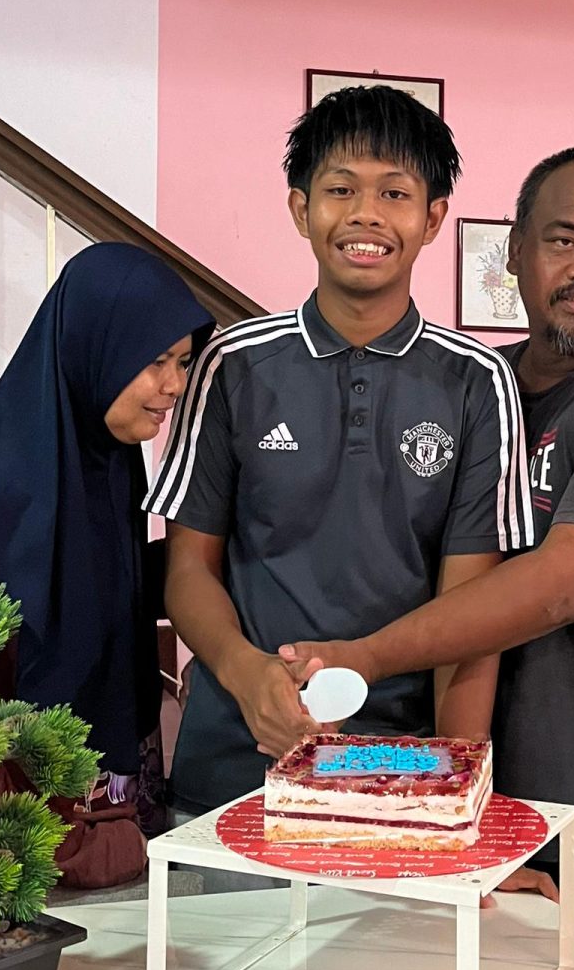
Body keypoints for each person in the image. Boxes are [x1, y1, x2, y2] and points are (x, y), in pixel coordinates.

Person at [281, 145, 574, 970]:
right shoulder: (476, 388)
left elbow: (569, 582)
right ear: (514, 253)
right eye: (563, 241)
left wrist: (364, 657)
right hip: (498, 807)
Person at [148, 85, 532, 822]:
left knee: (383, 942)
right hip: (237, 753)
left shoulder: (477, 383)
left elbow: (471, 616)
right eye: (340, 189)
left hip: (401, 765)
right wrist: (244, 670)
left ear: (432, 219)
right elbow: (188, 567)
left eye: (395, 192)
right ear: (301, 210)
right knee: (221, 939)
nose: (366, 214)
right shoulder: (233, 364)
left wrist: (462, 797)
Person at [0, 242, 213, 886]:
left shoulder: (99, 476)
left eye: (182, 363)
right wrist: (89, 855)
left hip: (93, 854)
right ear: (92, 351)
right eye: (154, 361)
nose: (173, 386)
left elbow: (99, 594)